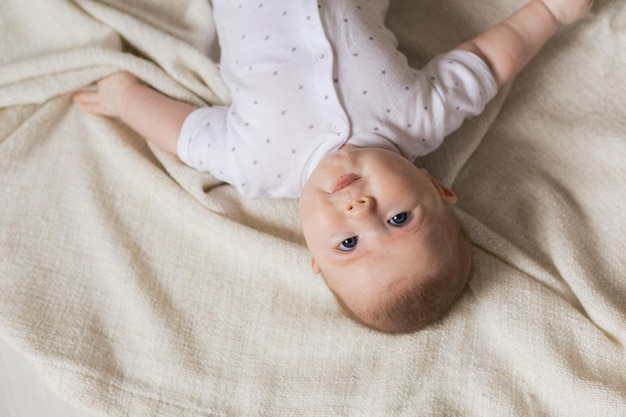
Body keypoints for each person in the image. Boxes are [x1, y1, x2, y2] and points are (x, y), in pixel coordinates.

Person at [73, 0, 593, 333]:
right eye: (398, 220)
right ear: (436, 186)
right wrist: (549, 12)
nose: (359, 210)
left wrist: (127, 99)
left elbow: (183, 134)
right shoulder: (420, 118)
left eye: (348, 244)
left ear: (313, 252)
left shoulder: (257, 164)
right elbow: (486, 59)